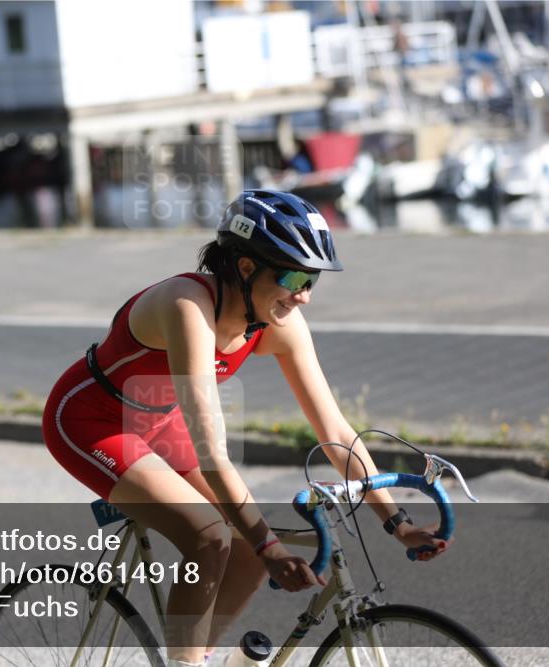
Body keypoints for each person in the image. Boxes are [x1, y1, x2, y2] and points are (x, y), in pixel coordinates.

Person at [42, 190, 449, 667]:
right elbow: (212, 453)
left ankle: (190, 655)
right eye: (294, 276)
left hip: (158, 419)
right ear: (247, 267)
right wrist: (270, 545)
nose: (304, 294)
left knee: (249, 548)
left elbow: (334, 430)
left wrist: (396, 523)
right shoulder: (187, 306)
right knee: (212, 535)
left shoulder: (278, 322)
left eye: (312, 279)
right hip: (91, 418)